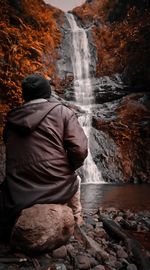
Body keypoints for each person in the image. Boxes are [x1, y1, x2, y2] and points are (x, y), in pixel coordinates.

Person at [0, 73, 88, 239]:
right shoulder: (62, 112)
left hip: (18, 191)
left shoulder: (11, 120)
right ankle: (76, 219)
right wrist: (69, 167)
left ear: (24, 95)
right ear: (47, 93)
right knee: (76, 179)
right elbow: (80, 150)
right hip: (56, 185)